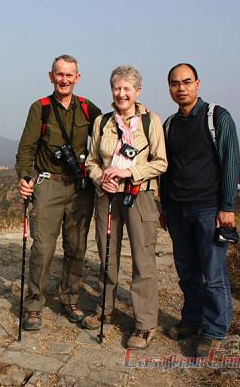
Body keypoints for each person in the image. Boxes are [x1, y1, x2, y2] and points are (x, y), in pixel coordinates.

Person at [83, 65, 167, 349]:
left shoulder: (150, 121)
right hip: (107, 197)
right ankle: (104, 309)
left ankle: (144, 324)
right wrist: (99, 179)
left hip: (139, 195)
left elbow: (161, 162)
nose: (121, 93)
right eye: (117, 88)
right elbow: (91, 161)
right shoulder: (102, 123)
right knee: (108, 255)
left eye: (127, 89)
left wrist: (130, 173)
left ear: (137, 91)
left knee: (143, 261)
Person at [160, 63, 240, 357]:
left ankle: (215, 330)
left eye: (186, 82)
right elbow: (166, 170)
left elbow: (230, 161)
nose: (181, 88)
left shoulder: (217, 117)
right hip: (179, 210)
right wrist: (165, 206)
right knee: (187, 271)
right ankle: (191, 320)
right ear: (169, 88)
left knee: (213, 272)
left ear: (198, 84)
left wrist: (227, 206)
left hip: (209, 209)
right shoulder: (169, 124)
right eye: (174, 83)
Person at [15, 54, 101, 331]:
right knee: (43, 247)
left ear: (78, 77)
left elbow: (112, 129)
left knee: (76, 246)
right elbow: (27, 147)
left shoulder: (88, 109)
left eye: (69, 75)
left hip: (80, 187)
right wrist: (24, 177)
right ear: (51, 76)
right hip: (48, 184)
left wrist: (138, 112)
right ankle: (34, 304)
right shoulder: (40, 108)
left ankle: (70, 298)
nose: (64, 79)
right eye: (59, 74)